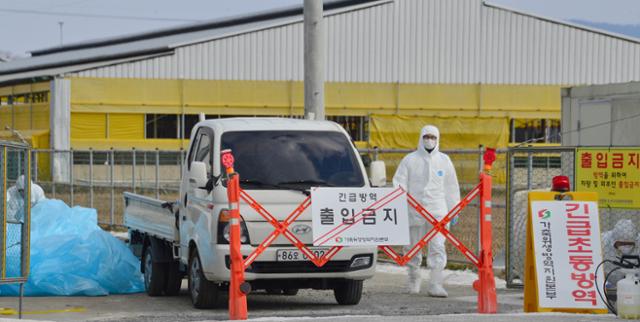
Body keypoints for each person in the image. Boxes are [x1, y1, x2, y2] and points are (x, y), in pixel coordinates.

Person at [393, 125, 460, 297]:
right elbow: (399, 183)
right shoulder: (409, 160)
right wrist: (402, 203)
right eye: (426, 136)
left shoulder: (444, 160)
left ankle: (435, 283)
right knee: (412, 247)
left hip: (438, 212)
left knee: (437, 246)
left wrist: (454, 210)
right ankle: (413, 279)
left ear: (438, 139)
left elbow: (451, 187)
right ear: (421, 137)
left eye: (433, 137)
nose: (429, 140)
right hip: (414, 211)